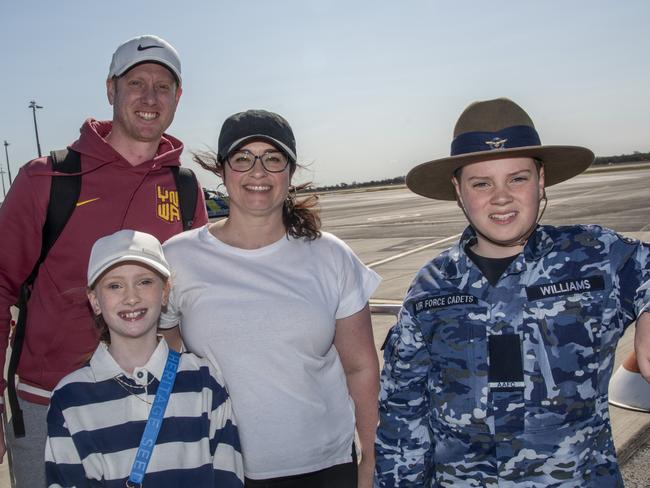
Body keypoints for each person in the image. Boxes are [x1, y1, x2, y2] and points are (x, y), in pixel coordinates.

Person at [374, 98, 650, 487]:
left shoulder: (595, 256)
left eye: (517, 178)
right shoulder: (430, 287)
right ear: (458, 190)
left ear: (540, 180)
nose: (500, 197)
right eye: (481, 183)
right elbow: (402, 415)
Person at [0, 34, 207, 485]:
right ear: (111, 90)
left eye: (163, 86)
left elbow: (193, 304)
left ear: (178, 98)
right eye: (136, 83)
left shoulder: (185, 189)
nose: (150, 97)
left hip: (153, 402)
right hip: (47, 402)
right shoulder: (47, 179)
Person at [159, 109, 381, 488]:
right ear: (222, 170)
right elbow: (165, 362)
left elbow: (360, 367)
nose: (257, 172)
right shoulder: (176, 259)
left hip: (326, 467)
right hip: (220, 465)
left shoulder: (331, 256)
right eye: (242, 158)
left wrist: (371, 460)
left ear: (290, 172)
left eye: (273, 159)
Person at [45, 229, 243, 487]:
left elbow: (229, 477)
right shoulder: (69, 399)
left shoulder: (205, 381)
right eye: (115, 286)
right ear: (94, 301)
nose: (131, 297)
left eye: (145, 282)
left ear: (164, 293)